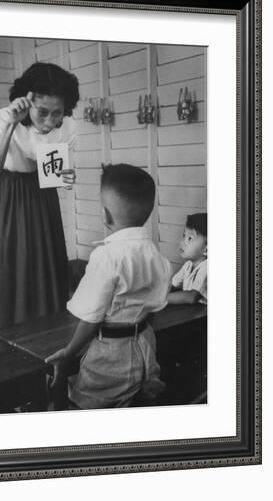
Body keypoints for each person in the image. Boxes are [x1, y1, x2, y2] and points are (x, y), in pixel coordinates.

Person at [45, 164, 171, 409]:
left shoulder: (106, 256)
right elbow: (155, 306)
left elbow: (90, 318)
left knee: (88, 407)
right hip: (146, 345)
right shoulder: (156, 254)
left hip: (111, 354)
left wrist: (69, 352)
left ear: (105, 214)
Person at [0, 62, 80, 329]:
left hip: (41, 192)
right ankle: (12, 323)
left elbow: (54, 175)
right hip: (9, 189)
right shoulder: (3, 117)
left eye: (57, 113)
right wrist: (12, 125)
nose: (50, 122)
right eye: (43, 112)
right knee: (13, 254)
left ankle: (46, 320)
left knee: (43, 253)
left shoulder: (68, 126)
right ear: (27, 100)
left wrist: (68, 176)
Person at [167, 213, 207, 305]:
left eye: (190, 238)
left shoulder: (207, 267)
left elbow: (191, 297)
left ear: (206, 249)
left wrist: (157, 301)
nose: (183, 242)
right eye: (184, 235)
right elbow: (173, 286)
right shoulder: (188, 265)